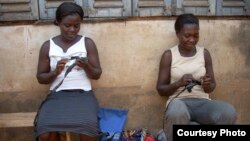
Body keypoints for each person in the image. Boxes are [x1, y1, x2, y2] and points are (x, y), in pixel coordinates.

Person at [156, 13, 237, 141]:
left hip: (202, 103)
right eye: (187, 35)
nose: (192, 40)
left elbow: (211, 87)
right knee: (177, 112)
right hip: (179, 103)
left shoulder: (204, 53)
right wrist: (178, 83)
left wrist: (207, 84)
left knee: (228, 112)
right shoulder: (169, 55)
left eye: (196, 35)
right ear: (177, 33)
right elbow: (161, 89)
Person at [34, 2, 102, 141]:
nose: (72, 30)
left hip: (83, 94)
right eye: (67, 25)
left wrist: (86, 66)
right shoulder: (48, 46)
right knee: (45, 133)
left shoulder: (87, 43)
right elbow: (40, 78)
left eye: (76, 26)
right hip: (57, 96)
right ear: (58, 22)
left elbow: (97, 74)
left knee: (89, 129)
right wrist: (55, 72)